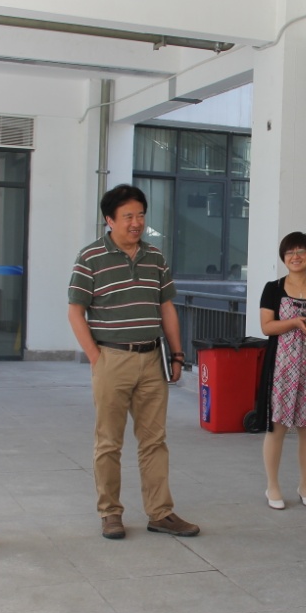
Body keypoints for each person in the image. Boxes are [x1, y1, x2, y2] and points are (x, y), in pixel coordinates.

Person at [68, 184, 200, 540]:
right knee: (109, 442)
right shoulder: (90, 257)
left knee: (154, 441)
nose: (136, 222)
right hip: (111, 357)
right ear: (109, 220)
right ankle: (110, 513)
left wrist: (177, 354)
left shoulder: (154, 257)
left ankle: (161, 513)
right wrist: (96, 358)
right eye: (128, 216)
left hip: (151, 358)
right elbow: (75, 311)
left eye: (140, 215)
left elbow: (166, 307)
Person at [255, 231, 306, 510]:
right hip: (281, 368)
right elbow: (266, 327)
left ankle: (305, 485)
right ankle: (272, 486)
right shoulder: (273, 288)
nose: (295, 256)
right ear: (283, 257)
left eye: (301, 251)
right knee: (277, 427)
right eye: (290, 252)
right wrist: (294, 323)